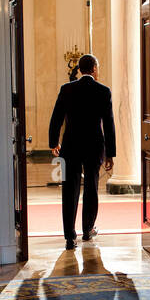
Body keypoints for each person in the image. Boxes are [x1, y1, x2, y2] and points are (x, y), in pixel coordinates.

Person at [48, 53, 117, 250]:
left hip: (70, 146)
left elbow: (56, 118)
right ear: (94, 69)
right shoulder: (103, 91)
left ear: (79, 70)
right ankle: (87, 230)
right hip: (94, 146)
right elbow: (109, 124)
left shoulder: (67, 89)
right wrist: (110, 153)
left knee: (70, 190)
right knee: (91, 188)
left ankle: (70, 237)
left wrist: (54, 142)